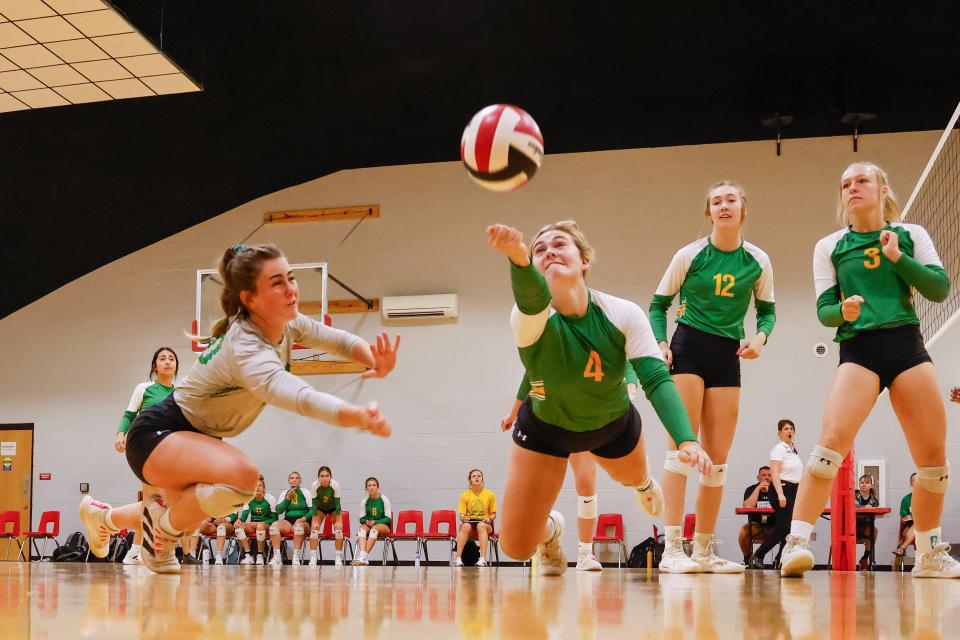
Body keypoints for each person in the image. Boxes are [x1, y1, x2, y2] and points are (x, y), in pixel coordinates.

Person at [78, 243, 399, 574]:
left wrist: (374, 359)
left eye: (291, 278)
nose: (291, 289)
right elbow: (300, 397)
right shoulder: (246, 346)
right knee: (243, 479)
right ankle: (162, 534)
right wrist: (356, 416)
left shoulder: (288, 324)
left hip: (191, 435)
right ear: (250, 299)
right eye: (277, 283)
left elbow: (339, 340)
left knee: (186, 512)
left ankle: (104, 518)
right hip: (158, 434)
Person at [486, 221, 710, 576]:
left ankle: (644, 484)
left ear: (584, 260)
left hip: (611, 426)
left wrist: (686, 439)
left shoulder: (622, 313)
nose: (549, 252)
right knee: (514, 546)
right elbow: (529, 298)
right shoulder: (529, 317)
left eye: (560, 244)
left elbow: (654, 377)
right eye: (539, 250)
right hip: (545, 430)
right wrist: (517, 257)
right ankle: (552, 531)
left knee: (634, 478)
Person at [779, 162, 957, 579]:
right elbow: (824, 310)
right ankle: (796, 545)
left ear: (882, 188)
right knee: (827, 449)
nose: (852, 188)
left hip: (906, 344)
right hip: (859, 348)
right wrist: (842, 310)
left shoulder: (911, 235)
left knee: (933, 462)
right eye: (845, 184)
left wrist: (898, 258)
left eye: (861, 181)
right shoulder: (830, 246)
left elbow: (940, 288)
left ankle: (929, 555)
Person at [649, 180, 776, 573]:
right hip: (687, 347)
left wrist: (759, 337)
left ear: (743, 208)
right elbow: (658, 305)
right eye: (716, 202)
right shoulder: (690, 255)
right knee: (681, 453)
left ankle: (703, 550)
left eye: (731, 200)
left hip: (727, 354)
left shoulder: (757, 260)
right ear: (709, 212)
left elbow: (767, 312)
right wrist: (659, 342)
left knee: (716, 462)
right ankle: (672, 549)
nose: (724, 206)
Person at [501, 371, 639, 571]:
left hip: (581, 417)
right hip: (545, 418)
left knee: (586, 483)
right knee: (518, 535)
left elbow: (626, 362)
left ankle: (584, 553)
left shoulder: (599, 344)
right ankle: (550, 532)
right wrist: (514, 412)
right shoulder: (548, 344)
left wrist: (631, 386)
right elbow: (532, 370)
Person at [110, 347, 179, 565]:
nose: (167, 362)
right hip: (149, 448)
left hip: (173, 452)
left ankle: (136, 548)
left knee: (163, 503)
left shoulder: (181, 392)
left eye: (171, 359)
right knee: (152, 500)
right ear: (154, 366)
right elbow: (129, 413)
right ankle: (145, 549)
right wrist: (121, 433)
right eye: (162, 358)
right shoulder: (144, 388)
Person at [749, 420, 801, 568]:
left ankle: (780, 559)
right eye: (786, 428)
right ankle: (758, 555)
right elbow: (775, 472)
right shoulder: (779, 449)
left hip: (793, 489)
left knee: (790, 528)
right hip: (782, 488)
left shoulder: (793, 449)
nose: (789, 431)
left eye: (791, 428)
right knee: (785, 527)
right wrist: (780, 494)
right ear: (779, 433)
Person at [454, 469, 497, 567]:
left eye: (479, 476)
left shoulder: (490, 494)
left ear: (482, 479)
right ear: (470, 480)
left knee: (481, 525)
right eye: (474, 476)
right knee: (464, 526)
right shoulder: (465, 495)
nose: (477, 477)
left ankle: (482, 559)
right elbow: (461, 514)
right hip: (471, 525)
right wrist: (463, 518)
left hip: (485, 525)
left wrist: (489, 519)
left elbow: (493, 514)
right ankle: (458, 558)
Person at [739, 466, 777, 568]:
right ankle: (748, 560)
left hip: (775, 526)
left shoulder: (778, 490)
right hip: (758, 526)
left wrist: (771, 492)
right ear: (758, 477)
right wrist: (758, 488)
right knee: (744, 531)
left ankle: (779, 559)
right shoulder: (751, 489)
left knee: (788, 529)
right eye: (763, 475)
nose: (766, 477)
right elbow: (747, 506)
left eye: (769, 475)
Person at [234, 479, 278, 565]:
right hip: (254, 525)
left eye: (260, 486)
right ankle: (248, 555)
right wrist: (239, 520)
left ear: (264, 489)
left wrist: (260, 523)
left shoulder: (270, 498)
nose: (257, 488)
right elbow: (244, 516)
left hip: (267, 525)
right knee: (239, 526)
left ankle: (260, 555)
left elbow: (274, 519)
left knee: (260, 526)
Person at [273, 470, 313, 565]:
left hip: (303, 521)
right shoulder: (284, 493)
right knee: (274, 526)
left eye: (297, 478)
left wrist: (303, 519)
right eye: (292, 478)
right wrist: (287, 498)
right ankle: (277, 556)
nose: (294, 480)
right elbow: (278, 510)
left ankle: (296, 556)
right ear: (289, 481)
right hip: (289, 521)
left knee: (298, 527)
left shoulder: (305, 492)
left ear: (300, 481)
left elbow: (313, 510)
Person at [307, 466, 343, 566]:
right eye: (322, 476)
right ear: (318, 477)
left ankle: (338, 557)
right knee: (314, 529)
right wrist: (314, 520)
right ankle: (313, 557)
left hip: (333, 508)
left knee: (339, 529)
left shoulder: (335, 485)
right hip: (320, 509)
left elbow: (337, 504)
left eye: (327, 476)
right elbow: (314, 504)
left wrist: (339, 521)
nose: (324, 478)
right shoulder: (315, 485)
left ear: (330, 477)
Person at [354, 477, 392, 566]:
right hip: (370, 524)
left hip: (383, 526)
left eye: (374, 485)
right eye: (369, 485)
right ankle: (363, 557)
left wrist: (375, 522)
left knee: (374, 528)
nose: (371, 487)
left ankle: (363, 556)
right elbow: (361, 519)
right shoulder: (364, 501)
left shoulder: (384, 499)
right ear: (366, 488)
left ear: (377, 487)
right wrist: (366, 521)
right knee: (361, 529)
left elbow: (388, 518)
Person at [855, 473, 880, 569]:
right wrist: (863, 507)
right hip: (852, 526)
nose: (864, 484)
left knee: (874, 531)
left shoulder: (875, 501)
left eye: (867, 482)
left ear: (871, 485)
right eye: (861, 482)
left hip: (865, 526)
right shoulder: (853, 496)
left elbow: (874, 515)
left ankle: (865, 558)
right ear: (859, 484)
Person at [894, 472, 918, 562]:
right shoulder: (906, 499)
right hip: (908, 527)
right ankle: (919, 562)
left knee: (918, 532)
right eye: (913, 481)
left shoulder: (926, 498)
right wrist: (907, 517)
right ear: (911, 483)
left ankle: (902, 548)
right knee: (916, 530)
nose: (916, 482)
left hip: (923, 529)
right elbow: (903, 518)